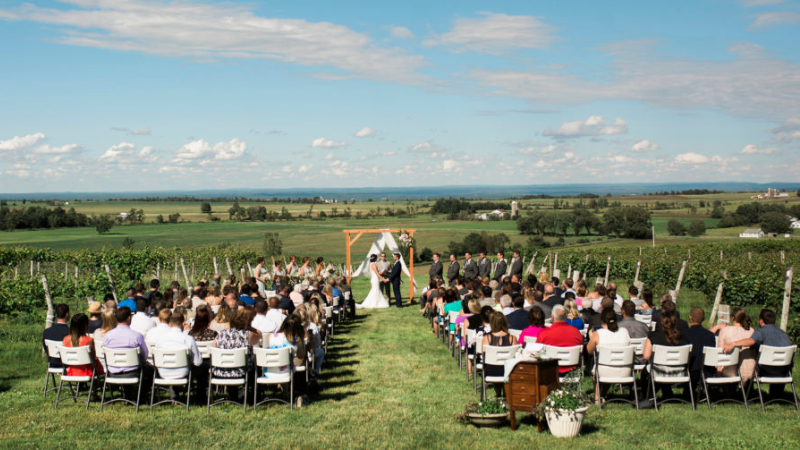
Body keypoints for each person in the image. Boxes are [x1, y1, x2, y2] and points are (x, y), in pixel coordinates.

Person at [723, 309, 792, 400]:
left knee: (750, 364)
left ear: (761, 321)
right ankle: (775, 396)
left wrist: (733, 344)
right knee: (776, 365)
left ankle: (747, 395)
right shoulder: (784, 334)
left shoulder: (761, 332)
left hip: (766, 370)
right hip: (784, 371)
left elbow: (750, 341)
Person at [587, 307, 632, 403]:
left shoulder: (598, 334)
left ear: (602, 320)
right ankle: (601, 395)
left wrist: (591, 337)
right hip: (625, 371)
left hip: (604, 372)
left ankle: (597, 396)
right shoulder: (624, 331)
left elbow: (589, 350)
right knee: (605, 365)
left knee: (600, 367)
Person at [103, 307, 148, 400]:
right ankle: (142, 396)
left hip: (112, 371)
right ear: (129, 318)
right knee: (151, 370)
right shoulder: (137, 336)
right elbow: (145, 355)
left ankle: (129, 394)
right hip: (133, 372)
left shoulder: (108, 336)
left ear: (115, 318)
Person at [644, 310, 690, 399]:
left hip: (659, 372)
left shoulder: (654, 337)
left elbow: (646, 356)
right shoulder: (683, 338)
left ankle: (648, 395)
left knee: (646, 370)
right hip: (679, 372)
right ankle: (667, 392)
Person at [269, 314, 309, 407]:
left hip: (272, 369)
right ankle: (300, 394)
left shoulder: (272, 337)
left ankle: (286, 390)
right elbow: (301, 355)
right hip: (288, 369)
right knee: (301, 363)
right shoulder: (295, 340)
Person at [538, 305, 584, 374]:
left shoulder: (544, 334)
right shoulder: (576, 332)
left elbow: (536, 352)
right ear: (566, 317)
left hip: (550, 370)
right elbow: (581, 351)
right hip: (572, 370)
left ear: (552, 318)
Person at [481, 311, 518, 397]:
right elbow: (515, 356)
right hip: (509, 371)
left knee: (494, 364)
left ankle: (498, 394)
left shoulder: (486, 338)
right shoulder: (513, 338)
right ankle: (505, 394)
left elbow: (484, 355)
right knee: (504, 365)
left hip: (491, 371)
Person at [682, 307, 716, 393]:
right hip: (707, 371)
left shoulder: (684, 334)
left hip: (689, 371)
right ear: (703, 319)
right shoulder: (710, 335)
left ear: (690, 317)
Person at [716, 309, 755, 382]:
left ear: (733, 318)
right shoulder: (751, 330)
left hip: (729, 369)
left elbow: (720, 351)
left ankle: (729, 392)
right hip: (748, 370)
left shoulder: (725, 330)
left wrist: (718, 369)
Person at [61, 313, 103, 377]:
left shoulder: (65, 339)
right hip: (87, 372)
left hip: (72, 371)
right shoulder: (88, 340)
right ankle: (95, 386)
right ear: (85, 325)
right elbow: (93, 359)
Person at [43, 304, 71, 368]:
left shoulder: (47, 332)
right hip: (67, 363)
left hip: (53, 363)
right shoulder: (71, 332)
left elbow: (46, 348)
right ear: (67, 314)